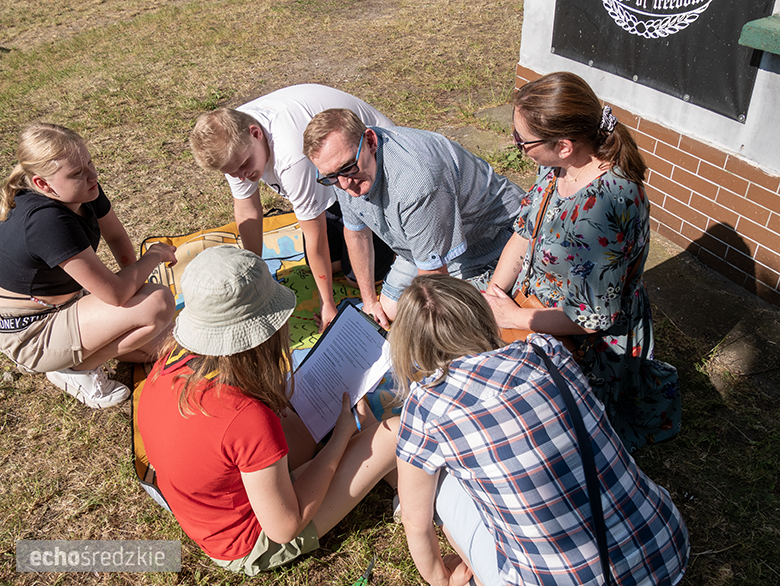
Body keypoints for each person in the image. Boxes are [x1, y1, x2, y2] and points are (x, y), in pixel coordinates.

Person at [391, 274, 690, 586]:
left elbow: (415, 521)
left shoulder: (426, 404)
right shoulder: (545, 350)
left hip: (564, 578)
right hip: (664, 548)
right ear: (480, 314)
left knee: (441, 484)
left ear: (410, 345)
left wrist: (441, 580)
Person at [137, 245, 399, 574]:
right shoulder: (246, 418)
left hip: (209, 513)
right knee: (393, 433)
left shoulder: (169, 365)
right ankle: (404, 489)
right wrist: (339, 440)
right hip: (249, 541)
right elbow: (285, 527)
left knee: (301, 418)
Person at [479, 71, 680, 452]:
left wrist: (513, 318)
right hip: (534, 310)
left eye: (522, 141)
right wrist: (495, 294)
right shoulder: (556, 168)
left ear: (564, 145)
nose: (517, 145)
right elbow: (525, 232)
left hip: (584, 340)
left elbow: (592, 319)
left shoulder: (606, 204)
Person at [189, 84, 396, 332]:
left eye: (244, 166)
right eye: (232, 173)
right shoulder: (233, 143)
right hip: (333, 177)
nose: (241, 177)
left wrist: (327, 304)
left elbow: (315, 235)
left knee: (356, 277)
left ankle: (395, 240)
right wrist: (255, 275)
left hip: (369, 169)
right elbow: (247, 211)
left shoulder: (291, 157)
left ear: (256, 133)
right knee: (326, 265)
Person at [0, 123, 177, 408]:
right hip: (31, 332)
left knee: (169, 342)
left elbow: (117, 237)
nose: (93, 175)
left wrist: (136, 285)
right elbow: (116, 294)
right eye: (77, 173)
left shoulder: (82, 190)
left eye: (90, 162)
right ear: (43, 184)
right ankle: (73, 369)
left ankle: (81, 353)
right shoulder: (46, 221)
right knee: (157, 304)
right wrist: (153, 257)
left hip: (64, 304)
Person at [303, 108, 524, 328]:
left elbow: (433, 279)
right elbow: (356, 234)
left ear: (370, 141)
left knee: (453, 322)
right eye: (331, 177)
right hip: (418, 243)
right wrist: (369, 302)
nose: (344, 185)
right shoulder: (345, 166)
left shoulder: (416, 183)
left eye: (348, 168)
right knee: (389, 310)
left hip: (489, 240)